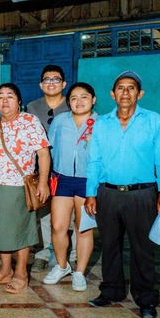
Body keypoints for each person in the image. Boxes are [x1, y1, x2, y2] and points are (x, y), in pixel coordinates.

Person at [84, 71, 160, 318]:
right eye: (120, 88)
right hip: (108, 194)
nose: (125, 92)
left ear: (140, 93)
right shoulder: (101, 123)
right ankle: (111, 291)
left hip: (142, 194)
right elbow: (94, 161)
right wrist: (91, 193)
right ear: (112, 94)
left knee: (142, 248)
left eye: (131, 88)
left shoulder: (153, 121)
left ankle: (145, 298)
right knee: (110, 246)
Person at [0, 83, 50, 294]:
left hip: (19, 186)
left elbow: (43, 154)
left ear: (19, 101)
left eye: (9, 96)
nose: (4, 100)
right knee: (0, 230)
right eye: (0, 96)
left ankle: (21, 273)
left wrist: (43, 182)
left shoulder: (30, 122)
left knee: (20, 230)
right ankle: (5, 270)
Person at [43, 83, 98, 291]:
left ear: (93, 99)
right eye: (74, 98)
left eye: (84, 97)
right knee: (58, 226)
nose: (79, 102)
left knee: (83, 229)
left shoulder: (100, 123)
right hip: (62, 179)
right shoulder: (60, 120)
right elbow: (49, 149)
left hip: (88, 181)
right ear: (68, 102)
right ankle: (62, 265)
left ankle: (80, 273)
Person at [26, 64, 74, 273]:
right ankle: (44, 253)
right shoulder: (32, 107)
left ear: (63, 84)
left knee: (67, 216)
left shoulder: (73, 104)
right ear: (41, 84)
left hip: (67, 170)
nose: (51, 83)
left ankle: (66, 254)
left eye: (56, 79)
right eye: (47, 79)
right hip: (41, 171)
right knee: (43, 214)